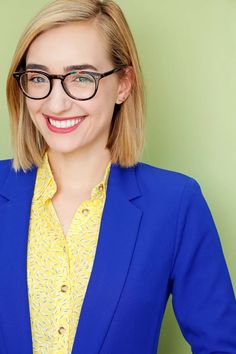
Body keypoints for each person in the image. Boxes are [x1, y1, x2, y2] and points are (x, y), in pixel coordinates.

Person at [0, 0, 235, 353]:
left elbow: (221, 345)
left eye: (82, 78)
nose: (56, 103)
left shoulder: (176, 204)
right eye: (38, 77)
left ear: (124, 84)